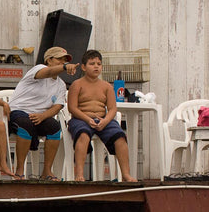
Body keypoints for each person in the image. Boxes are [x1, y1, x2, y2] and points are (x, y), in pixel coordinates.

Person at [8, 46, 78, 180]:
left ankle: (47, 171)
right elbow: (48, 72)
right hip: (18, 112)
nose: (63, 63)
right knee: (25, 124)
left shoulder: (61, 85)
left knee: (54, 128)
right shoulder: (38, 69)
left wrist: (43, 116)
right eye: (60, 59)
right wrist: (65, 67)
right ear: (49, 60)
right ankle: (19, 170)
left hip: (39, 116)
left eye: (65, 61)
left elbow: (57, 106)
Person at [67, 50, 137, 182]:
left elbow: (112, 108)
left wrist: (105, 121)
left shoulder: (106, 86)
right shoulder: (77, 85)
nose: (96, 66)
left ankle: (126, 174)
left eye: (99, 64)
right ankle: (80, 173)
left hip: (102, 119)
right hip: (81, 119)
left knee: (120, 137)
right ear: (83, 67)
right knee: (83, 135)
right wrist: (87, 119)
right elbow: (72, 108)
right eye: (92, 63)